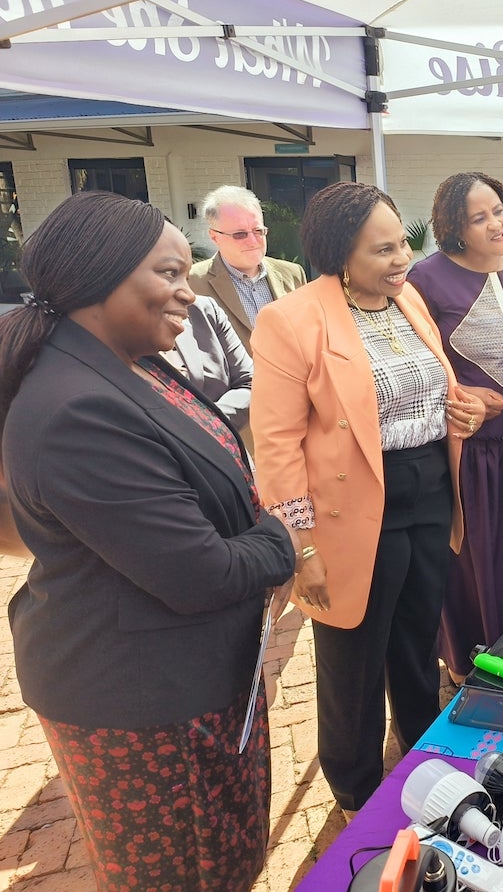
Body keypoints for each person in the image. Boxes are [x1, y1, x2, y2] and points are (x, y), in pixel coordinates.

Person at [0, 192, 298, 891]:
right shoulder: (77, 408)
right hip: (143, 703)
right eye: (168, 274)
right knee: (183, 875)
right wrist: (280, 541)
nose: (187, 294)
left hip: (193, 675)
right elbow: (201, 573)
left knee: (224, 863)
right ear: (99, 276)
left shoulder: (129, 363)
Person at [250, 182, 484, 816]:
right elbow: (275, 444)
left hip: (430, 494)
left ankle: (419, 752)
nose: (402, 259)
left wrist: (455, 413)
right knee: (352, 655)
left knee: (415, 638)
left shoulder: (406, 299)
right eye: (383, 250)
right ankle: (355, 787)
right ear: (340, 255)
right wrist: (302, 548)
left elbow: (429, 385)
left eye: (404, 242)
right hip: (351, 514)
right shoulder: (291, 320)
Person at [407, 172, 503, 684]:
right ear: (455, 227)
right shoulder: (426, 280)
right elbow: (415, 364)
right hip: (473, 455)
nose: (495, 223)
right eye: (479, 218)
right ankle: (472, 665)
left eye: (498, 209)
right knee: (477, 564)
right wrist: (461, 393)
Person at [189, 185, 306, 349]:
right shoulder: (193, 282)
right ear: (214, 236)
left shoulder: (292, 274)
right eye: (240, 234)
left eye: (258, 231)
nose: (252, 241)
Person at [161, 294, 254, 430]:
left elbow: (250, 382)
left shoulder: (202, 310)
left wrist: (208, 426)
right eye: (170, 273)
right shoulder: (121, 346)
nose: (188, 293)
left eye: (186, 278)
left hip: (226, 445)